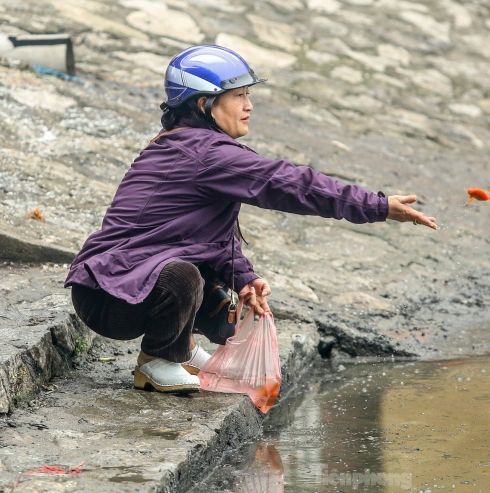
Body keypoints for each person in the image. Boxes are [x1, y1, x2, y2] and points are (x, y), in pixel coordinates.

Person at [64, 44, 437, 395]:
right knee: (183, 275)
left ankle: (183, 347)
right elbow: (290, 184)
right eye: (239, 96)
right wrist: (377, 206)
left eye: (248, 95)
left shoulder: (192, 145)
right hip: (108, 295)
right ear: (204, 103)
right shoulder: (205, 154)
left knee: (215, 295)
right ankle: (156, 360)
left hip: (124, 285)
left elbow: (200, 232)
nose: (249, 105)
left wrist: (243, 276)